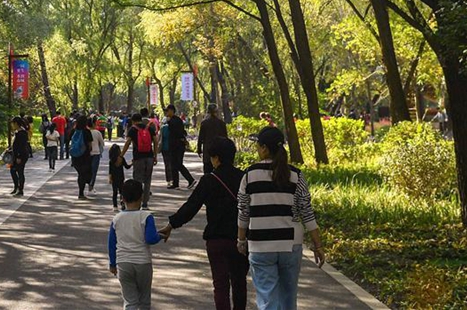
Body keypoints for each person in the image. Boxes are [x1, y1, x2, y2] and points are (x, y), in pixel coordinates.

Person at [237, 127, 325, 310]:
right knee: (288, 299)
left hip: (260, 246)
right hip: (290, 246)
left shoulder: (249, 175)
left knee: (268, 301)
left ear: (264, 149)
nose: (257, 150)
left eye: (258, 146)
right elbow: (306, 212)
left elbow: (244, 212)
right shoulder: (296, 175)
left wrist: (241, 240)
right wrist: (318, 246)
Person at [160, 136, 248, 310]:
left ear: (216, 158)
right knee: (239, 283)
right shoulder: (244, 178)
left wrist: (171, 225)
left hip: (216, 241)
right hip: (241, 239)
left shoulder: (209, 180)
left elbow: (191, 207)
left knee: (221, 286)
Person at [108, 179, 164, 310]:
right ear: (141, 197)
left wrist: (112, 263)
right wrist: (160, 235)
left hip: (123, 263)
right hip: (143, 262)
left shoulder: (116, 219)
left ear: (122, 198)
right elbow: (151, 238)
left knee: (130, 301)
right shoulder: (146, 216)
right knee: (144, 300)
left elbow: (111, 243)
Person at [121, 113, 158, 209]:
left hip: (138, 158)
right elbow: (156, 140)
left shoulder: (133, 129)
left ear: (133, 121)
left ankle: (137, 202)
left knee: (137, 181)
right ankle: (145, 204)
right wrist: (155, 155)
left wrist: (121, 155)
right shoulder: (149, 128)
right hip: (149, 157)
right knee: (147, 180)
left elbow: (128, 142)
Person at [165, 104, 196, 190]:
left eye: (167, 111)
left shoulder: (174, 120)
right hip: (175, 145)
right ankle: (175, 183)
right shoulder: (173, 120)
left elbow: (177, 132)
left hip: (177, 145)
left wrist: (168, 122)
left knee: (178, 164)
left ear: (172, 111)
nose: (166, 112)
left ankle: (190, 179)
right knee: (173, 164)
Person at [198, 103, 228, 175]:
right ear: (216, 111)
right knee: (218, 172)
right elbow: (226, 138)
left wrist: (199, 149)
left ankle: (208, 185)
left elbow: (201, 138)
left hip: (208, 151)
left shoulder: (204, 123)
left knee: (207, 172)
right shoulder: (221, 123)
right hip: (219, 151)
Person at [70, 114, 93, 199]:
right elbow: (90, 145)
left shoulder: (73, 131)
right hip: (85, 156)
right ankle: (81, 193)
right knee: (85, 174)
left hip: (75, 156)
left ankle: (81, 192)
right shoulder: (87, 131)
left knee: (80, 174)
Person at [9, 116, 29, 196]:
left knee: (20, 171)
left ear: (16, 124)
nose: (12, 126)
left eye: (13, 124)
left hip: (21, 156)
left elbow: (22, 146)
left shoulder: (22, 133)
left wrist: (19, 157)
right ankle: (16, 187)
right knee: (13, 170)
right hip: (15, 155)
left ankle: (20, 190)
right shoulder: (17, 132)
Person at [109, 142, 132, 209]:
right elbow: (127, 167)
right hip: (121, 177)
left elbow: (110, 171)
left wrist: (110, 178)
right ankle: (123, 204)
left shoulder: (111, 161)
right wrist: (131, 163)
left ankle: (115, 205)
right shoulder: (122, 159)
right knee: (121, 192)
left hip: (114, 178)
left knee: (114, 192)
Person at [87, 115, 105, 194]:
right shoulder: (97, 133)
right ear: (94, 124)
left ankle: (88, 184)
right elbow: (102, 143)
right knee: (94, 171)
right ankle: (91, 185)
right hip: (96, 153)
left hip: (87, 154)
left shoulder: (86, 132)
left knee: (88, 170)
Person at [159, 116, 172, 186]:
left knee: (167, 164)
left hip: (164, 148)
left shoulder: (163, 128)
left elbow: (160, 138)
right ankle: (173, 178)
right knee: (172, 163)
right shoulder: (173, 128)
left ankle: (168, 180)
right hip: (172, 148)